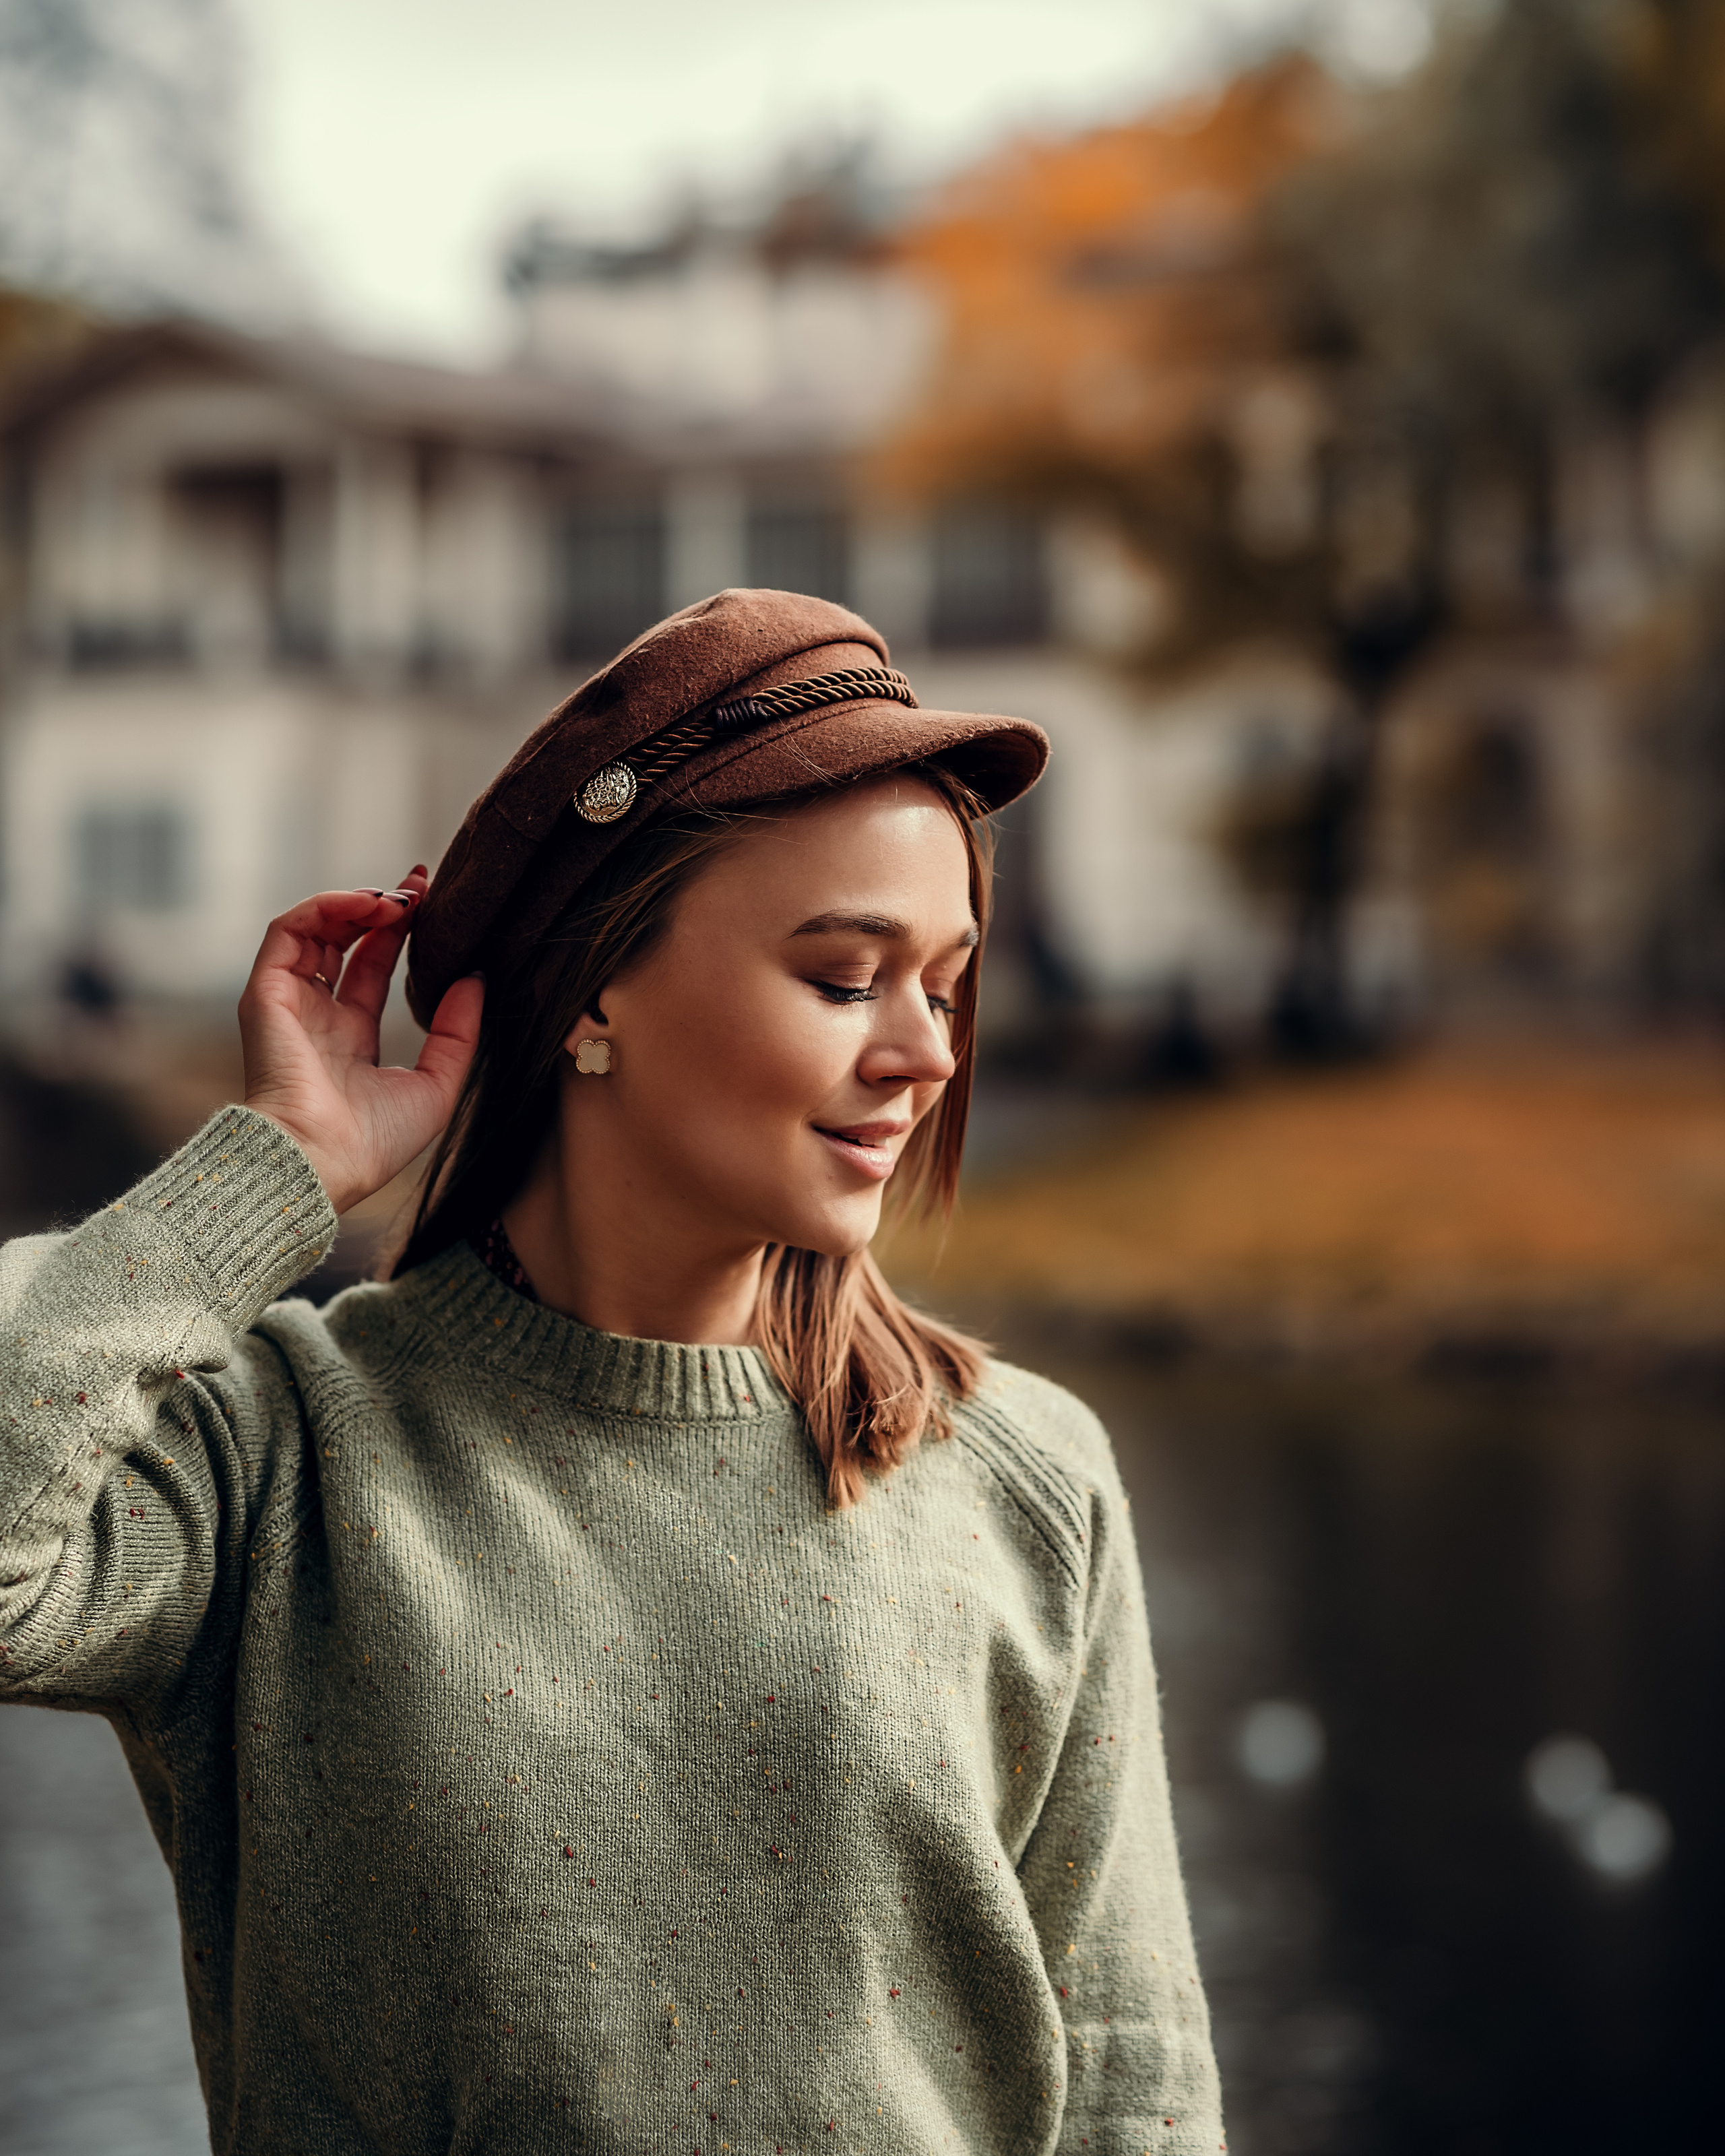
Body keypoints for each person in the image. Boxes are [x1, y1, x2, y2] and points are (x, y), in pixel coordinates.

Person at [0, 590, 1223, 2154]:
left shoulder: (1024, 1479)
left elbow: (1134, 2089)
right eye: (848, 974)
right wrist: (277, 1168)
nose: (927, 1049)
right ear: (595, 988)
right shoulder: (276, 1459)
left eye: (944, 977)